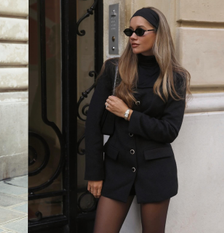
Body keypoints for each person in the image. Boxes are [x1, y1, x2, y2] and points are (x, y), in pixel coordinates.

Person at [85, 7, 190, 233]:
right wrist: (94, 173)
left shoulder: (175, 78)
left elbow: (169, 130)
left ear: (158, 33)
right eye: (129, 31)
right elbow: (92, 124)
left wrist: (128, 113)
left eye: (140, 31)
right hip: (116, 167)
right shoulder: (114, 70)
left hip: (156, 171)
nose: (132, 36)